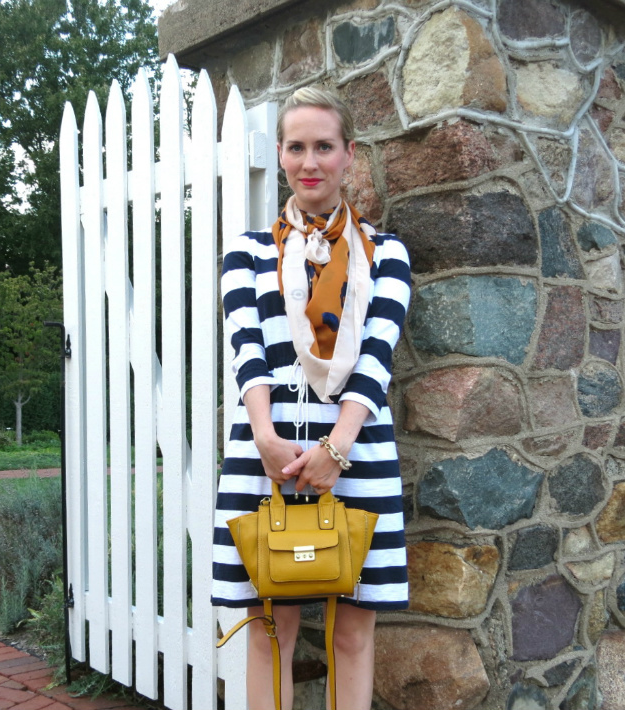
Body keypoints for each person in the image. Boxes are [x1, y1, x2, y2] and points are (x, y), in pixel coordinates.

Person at [212, 87, 411, 710]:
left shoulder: (388, 255)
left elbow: (375, 362)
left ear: (349, 154)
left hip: (356, 460)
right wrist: (268, 441)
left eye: (324, 146)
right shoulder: (245, 255)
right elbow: (249, 354)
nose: (310, 162)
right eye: (297, 147)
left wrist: (335, 450)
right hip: (264, 460)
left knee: (351, 634)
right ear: (280, 154)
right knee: (272, 631)